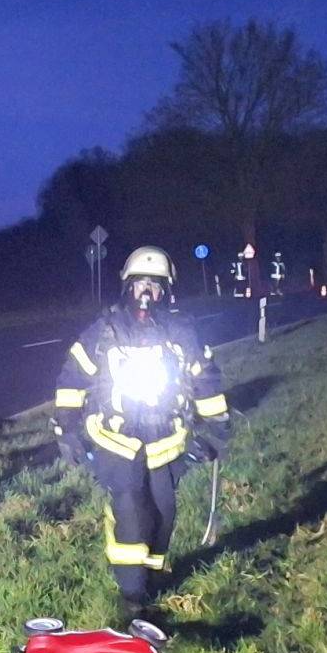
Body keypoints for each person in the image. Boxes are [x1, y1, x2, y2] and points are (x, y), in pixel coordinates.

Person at [51, 245, 231, 620]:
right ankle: (131, 595)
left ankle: (151, 575)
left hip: (167, 441)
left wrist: (215, 426)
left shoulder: (181, 332)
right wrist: (65, 427)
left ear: (166, 291)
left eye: (154, 286)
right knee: (131, 507)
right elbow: (73, 375)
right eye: (139, 285)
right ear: (127, 288)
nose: (146, 294)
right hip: (116, 439)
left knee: (164, 513)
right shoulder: (105, 331)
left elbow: (205, 378)